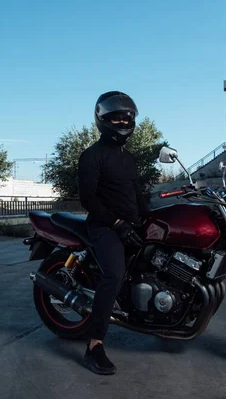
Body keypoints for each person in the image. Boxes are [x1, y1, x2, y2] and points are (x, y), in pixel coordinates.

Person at [77, 91, 149, 375]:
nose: (121, 121)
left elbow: (138, 193)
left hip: (130, 224)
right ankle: (94, 345)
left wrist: (150, 217)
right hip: (104, 226)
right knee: (114, 274)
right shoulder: (91, 156)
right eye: (115, 117)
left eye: (125, 117)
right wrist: (117, 223)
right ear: (102, 120)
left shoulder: (128, 159)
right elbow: (88, 199)